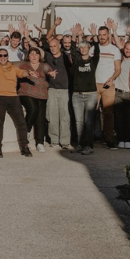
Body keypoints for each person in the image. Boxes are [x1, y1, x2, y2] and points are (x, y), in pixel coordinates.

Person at [0, 48, 40, 158]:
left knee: (21, 122)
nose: (2, 57)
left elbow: (21, 73)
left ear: (8, 56)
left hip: (13, 97)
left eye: (5, 55)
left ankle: (24, 146)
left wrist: (28, 73)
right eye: (0, 55)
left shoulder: (13, 67)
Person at [92, 22, 122, 150]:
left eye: (104, 35)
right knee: (91, 112)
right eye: (100, 35)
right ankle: (91, 138)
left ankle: (109, 139)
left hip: (107, 85)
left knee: (108, 113)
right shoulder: (93, 49)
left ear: (108, 35)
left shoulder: (114, 50)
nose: (102, 37)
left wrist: (112, 79)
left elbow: (118, 69)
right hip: (94, 84)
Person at [70, 26, 99, 155]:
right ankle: (80, 144)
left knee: (89, 122)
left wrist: (95, 36)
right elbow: (72, 51)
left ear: (88, 48)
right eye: (81, 48)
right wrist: (74, 36)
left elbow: (97, 51)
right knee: (79, 122)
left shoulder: (93, 61)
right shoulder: (77, 61)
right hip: (77, 95)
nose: (83, 50)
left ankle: (89, 146)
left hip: (90, 94)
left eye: (85, 47)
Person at [43, 17, 71, 148]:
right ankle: (54, 140)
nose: (53, 48)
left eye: (55, 46)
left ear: (60, 46)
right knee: (52, 115)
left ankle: (64, 141)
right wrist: (54, 25)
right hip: (52, 89)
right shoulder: (48, 55)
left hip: (64, 89)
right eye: (51, 46)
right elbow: (48, 37)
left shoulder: (66, 56)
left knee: (64, 116)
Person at [17, 48, 51, 152]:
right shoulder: (23, 64)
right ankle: (26, 131)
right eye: (31, 54)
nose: (34, 56)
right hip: (26, 93)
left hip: (42, 94)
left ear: (39, 56)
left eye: (36, 54)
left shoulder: (44, 65)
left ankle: (40, 142)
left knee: (40, 118)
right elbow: (10, 65)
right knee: (33, 109)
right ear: (28, 56)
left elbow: (49, 71)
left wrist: (51, 73)